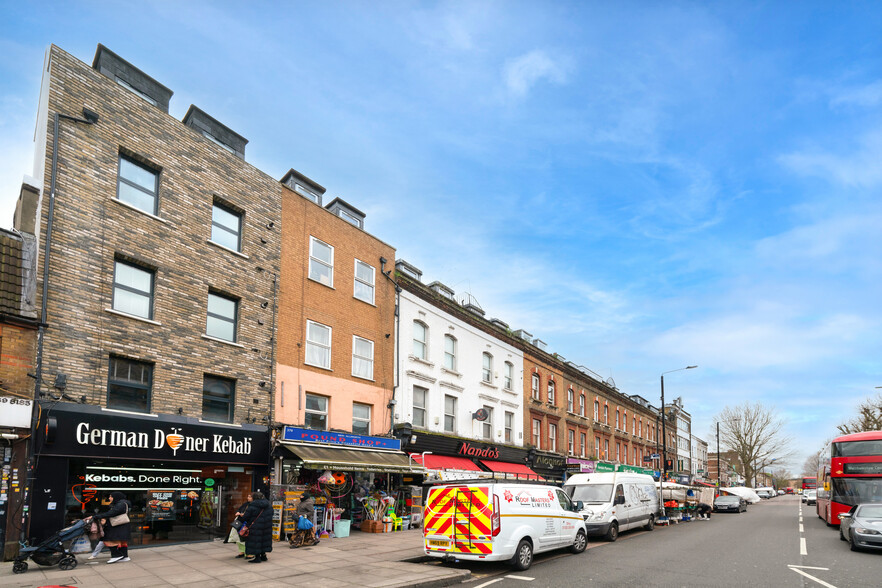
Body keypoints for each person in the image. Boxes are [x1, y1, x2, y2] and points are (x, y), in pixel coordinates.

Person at [86, 492, 132, 563]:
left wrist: (95, 516)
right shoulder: (120, 503)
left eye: (111, 497)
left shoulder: (120, 504)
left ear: (116, 497)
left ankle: (116, 555)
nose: (109, 498)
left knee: (107, 539)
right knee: (122, 541)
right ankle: (124, 556)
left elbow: (111, 513)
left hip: (118, 525)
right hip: (121, 525)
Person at [239, 491, 273, 563]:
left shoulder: (252, 505)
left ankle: (257, 558)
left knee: (256, 541)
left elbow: (246, 517)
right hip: (266, 526)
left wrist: (242, 516)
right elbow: (271, 514)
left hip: (255, 527)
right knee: (264, 540)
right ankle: (263, 555)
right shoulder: (268, 505)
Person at [231, 494, 253, 559]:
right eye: (248, 496)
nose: (248, 498)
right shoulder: (246, 504)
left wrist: (243, 514)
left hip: (247, 523)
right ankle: (242, 551)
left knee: (246, 537)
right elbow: (239, 509)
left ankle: (249, 553)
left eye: (249, 497)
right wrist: (238, 512)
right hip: (240, 522)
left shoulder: (254, 505)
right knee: (239, 538)